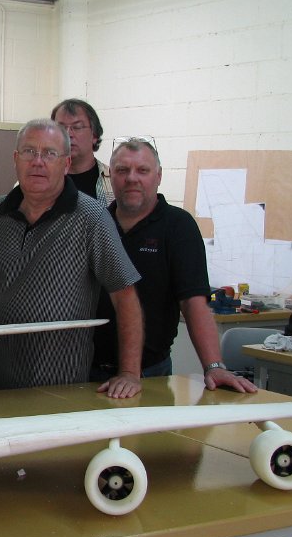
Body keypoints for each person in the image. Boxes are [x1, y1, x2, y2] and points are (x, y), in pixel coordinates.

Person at [0, 119, 145, 398]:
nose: (38, 161)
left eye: (49, 153)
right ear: (15, 159)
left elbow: (125, 296)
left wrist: (129, 372)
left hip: (63, 385)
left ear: (66, 164)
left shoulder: (91, 218)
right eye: (29, 152)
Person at [94, 137, 258, 393]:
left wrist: (214, 366)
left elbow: (193, 303)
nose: (132, 178)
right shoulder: (95, 224)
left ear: (158, 176)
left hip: (151, 374)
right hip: (87, 371)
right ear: (110, 176)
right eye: (122, 170)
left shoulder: (178, 226)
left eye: (142, 170)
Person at [51, 98, 112, 204]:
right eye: (61, 128)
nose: (68, 134)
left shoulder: (113, 180)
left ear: (94, 135)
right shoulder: (40, 179)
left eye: (77, 127)